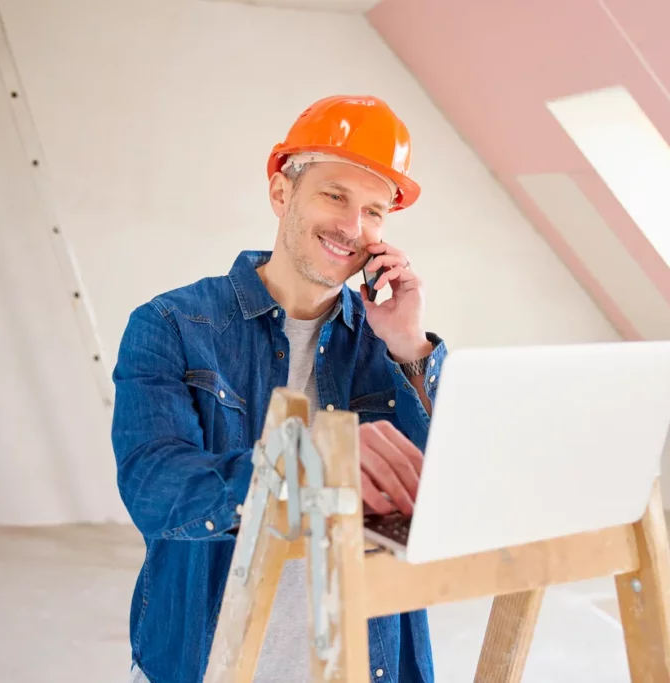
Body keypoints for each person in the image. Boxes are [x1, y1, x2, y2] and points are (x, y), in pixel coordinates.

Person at [111, 95, 447, 683]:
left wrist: (409, 349)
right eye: (334, 195)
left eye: (374, 211)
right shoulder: (171, 325)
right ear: (281, 193)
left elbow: (446, 496)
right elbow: (154, 488)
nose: (353, 227)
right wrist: (312, 463)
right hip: (204, 659)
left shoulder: (386, 343)